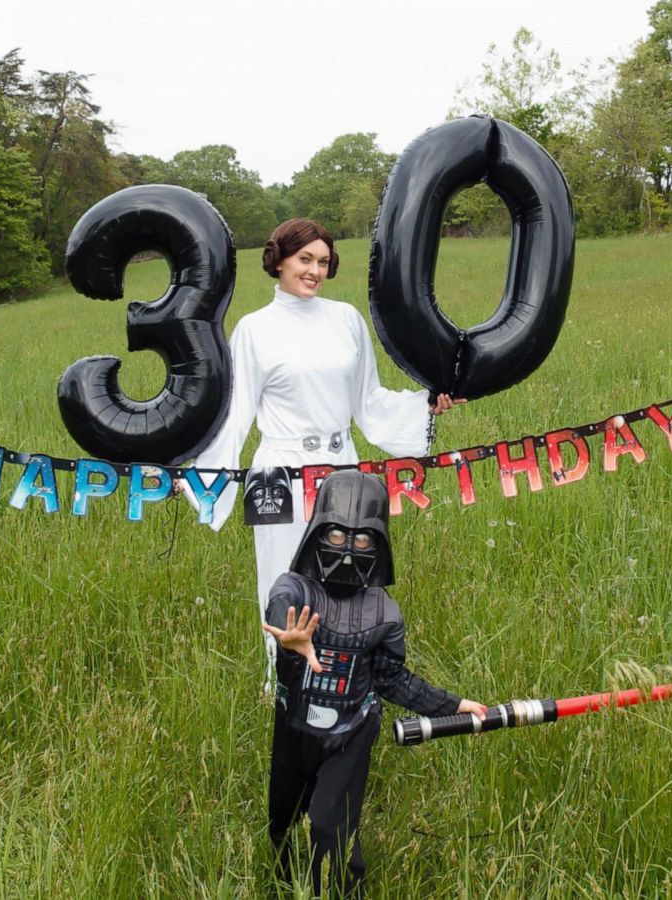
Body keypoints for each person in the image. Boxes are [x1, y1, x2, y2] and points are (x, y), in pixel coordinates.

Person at [191, 218, 463, 688]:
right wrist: (201, 479)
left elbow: (369, 400)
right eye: (304, 260)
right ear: (278, 261)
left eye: (322, 261)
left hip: (343, 468)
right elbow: (233, 416)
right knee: (284, 582)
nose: (315, 270)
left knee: (351, 575)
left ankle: (349, 682)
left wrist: (425, 403)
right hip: (281, 476)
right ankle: (285, 686)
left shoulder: (346, 320)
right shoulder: (254, 331)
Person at [261, 470, 484, 898]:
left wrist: (453, 705)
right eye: (338, 536)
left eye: (362, 540)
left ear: (378, 542)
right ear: (318, 532)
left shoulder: (384, 612)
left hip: (350, 730)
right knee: (282, 824)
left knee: (331, 826)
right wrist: (290, 641)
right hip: (294, 727)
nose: (348, 550)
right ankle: (284, 888)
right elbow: (281, 608)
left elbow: (392, 679)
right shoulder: (294, 589)